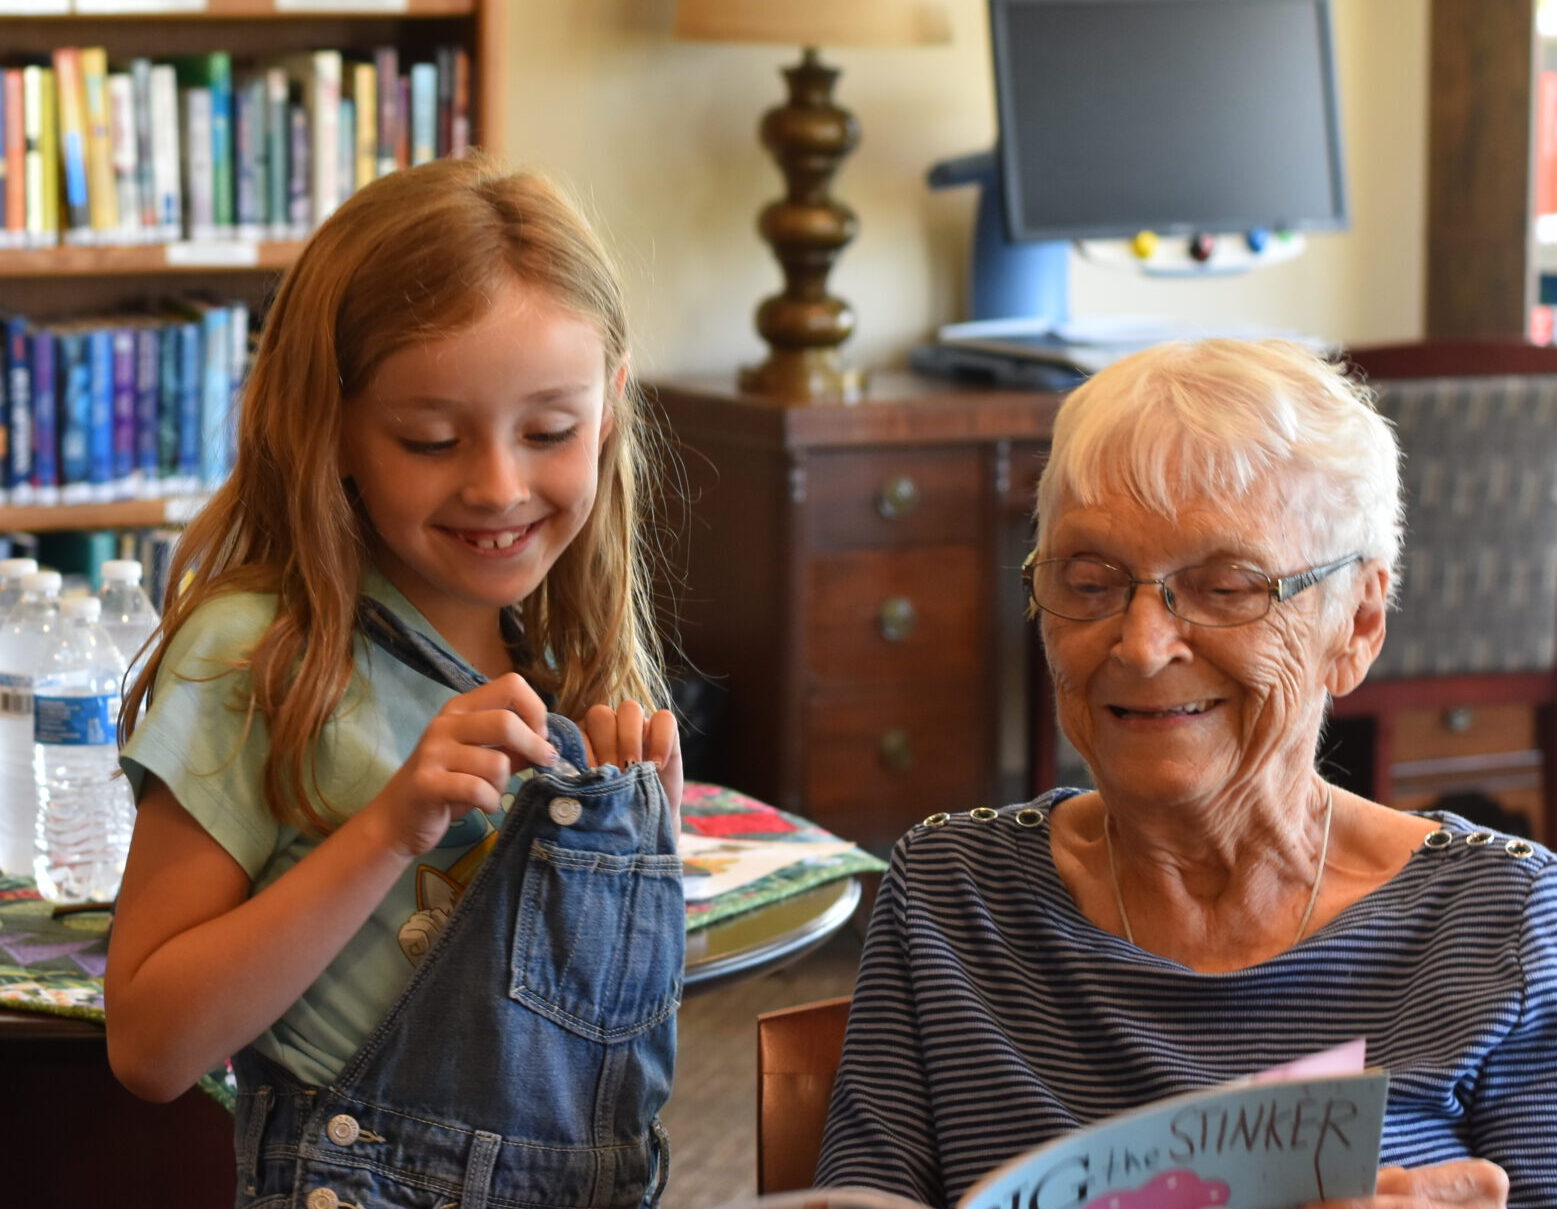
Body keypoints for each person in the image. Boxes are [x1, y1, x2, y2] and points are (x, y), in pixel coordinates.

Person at [816, 339, 1557, 1208]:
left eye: (1225, 586)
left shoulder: (1500, 921)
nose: (1139, 643)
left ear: (1355, 623)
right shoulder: (954, 895)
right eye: (1089, 582)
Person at [104, 154, 685, 1208]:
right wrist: (386, 830)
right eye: (429, 438)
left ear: (612, 405)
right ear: (329, 427)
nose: (499, 484)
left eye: (550, 431)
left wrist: (626, 860)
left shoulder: (569, 657)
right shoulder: (262, 652)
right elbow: (149, 1042)